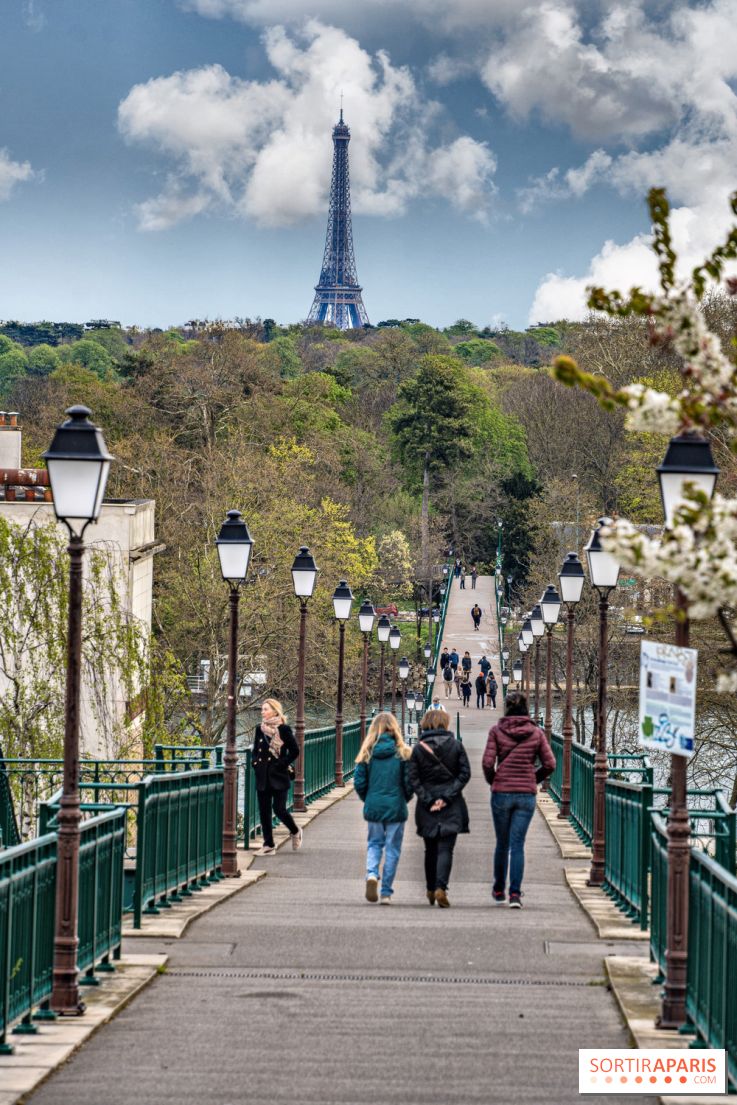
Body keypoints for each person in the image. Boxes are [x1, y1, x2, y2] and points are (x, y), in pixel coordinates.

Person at [482, 691, 556, 908]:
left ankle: (498, 890)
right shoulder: (536, 733)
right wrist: (534, 779)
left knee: (502, 844)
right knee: (518, 844)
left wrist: (495, 781)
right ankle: (515, 894)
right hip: (525, 794)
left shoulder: (496, 731)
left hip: (502, 793)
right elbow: (550, 763)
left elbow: (487, 763)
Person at [408, 707, 471, 908]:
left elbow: (413, 778)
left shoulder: (418, 749)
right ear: (445, 723)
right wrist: (446, 797)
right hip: (451, 803)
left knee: (430, 848)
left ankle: (429, 888)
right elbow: (464, 774)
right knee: (446, 848)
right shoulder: (456, 745)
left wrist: (428, 800)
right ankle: (441, 887)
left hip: (427, 805)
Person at [354, 712, 413, 904]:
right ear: (395, 728)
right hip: (396, 806)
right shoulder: (403, 753)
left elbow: (359, 783)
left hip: (374, 805)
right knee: (393, 849)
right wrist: (404, 798)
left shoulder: (367, 753)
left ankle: (371, 874)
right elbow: (409, 783)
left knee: (374, 844)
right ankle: (386, 891)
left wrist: (368, 799)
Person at [252, 698, 302, 855]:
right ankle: (269, 845)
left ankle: (295, 831)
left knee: (279, 808)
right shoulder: (259, 729)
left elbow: (295, 751)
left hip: (278, 775)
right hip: (262, 775)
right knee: (264, 811)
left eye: (265, 709)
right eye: (262, 709)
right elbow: (255, 750)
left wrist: (281, 764)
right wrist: (255, 763)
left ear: (274, 711)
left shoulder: (284, 729)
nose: (262, 712)